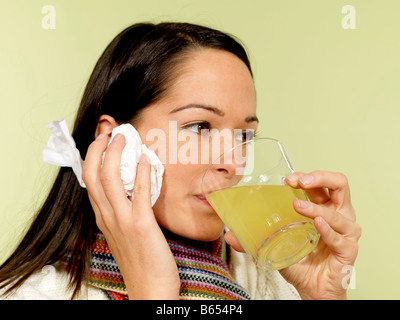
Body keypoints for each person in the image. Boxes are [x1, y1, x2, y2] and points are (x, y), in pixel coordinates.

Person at [0, 22, 361, 300]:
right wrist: (154, 291)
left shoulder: (266, 275)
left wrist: (322, 294)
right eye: (200, 126)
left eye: (244, 135)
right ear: (116, 142)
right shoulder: (34, 294)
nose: (234, 162)